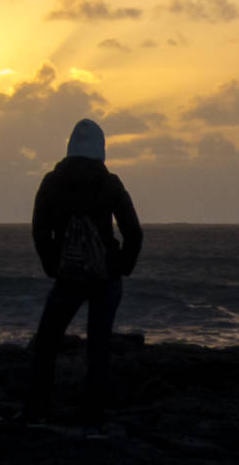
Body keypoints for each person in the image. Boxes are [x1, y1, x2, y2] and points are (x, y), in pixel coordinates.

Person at [24, 117, 142, 427]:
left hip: (69, 276)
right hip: (106, 278)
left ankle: (37, 412)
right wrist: (121, 268)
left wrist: (53, 267)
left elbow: (40, 231)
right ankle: (93, 418)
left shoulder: (51, 182)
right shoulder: (111, 183)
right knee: (98, 347)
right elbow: (134, 233)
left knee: (47, 342)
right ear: (101, 149)